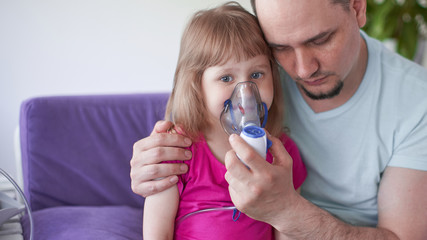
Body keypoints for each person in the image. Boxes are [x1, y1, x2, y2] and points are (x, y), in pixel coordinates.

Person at [131, 0, 427, 239]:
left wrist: (287, 211)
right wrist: (150, 164)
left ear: (358, 7)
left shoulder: (417, 102)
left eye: (320, 39)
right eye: (280, 48)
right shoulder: (247, 67)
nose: (302, 69)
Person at [140, 2, 307, 240]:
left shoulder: (283, 155)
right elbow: (157, 235)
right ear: (197, 86)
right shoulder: (177, 151)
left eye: (257, 74)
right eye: (226, 77)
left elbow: (288, 231)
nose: (246, 92)